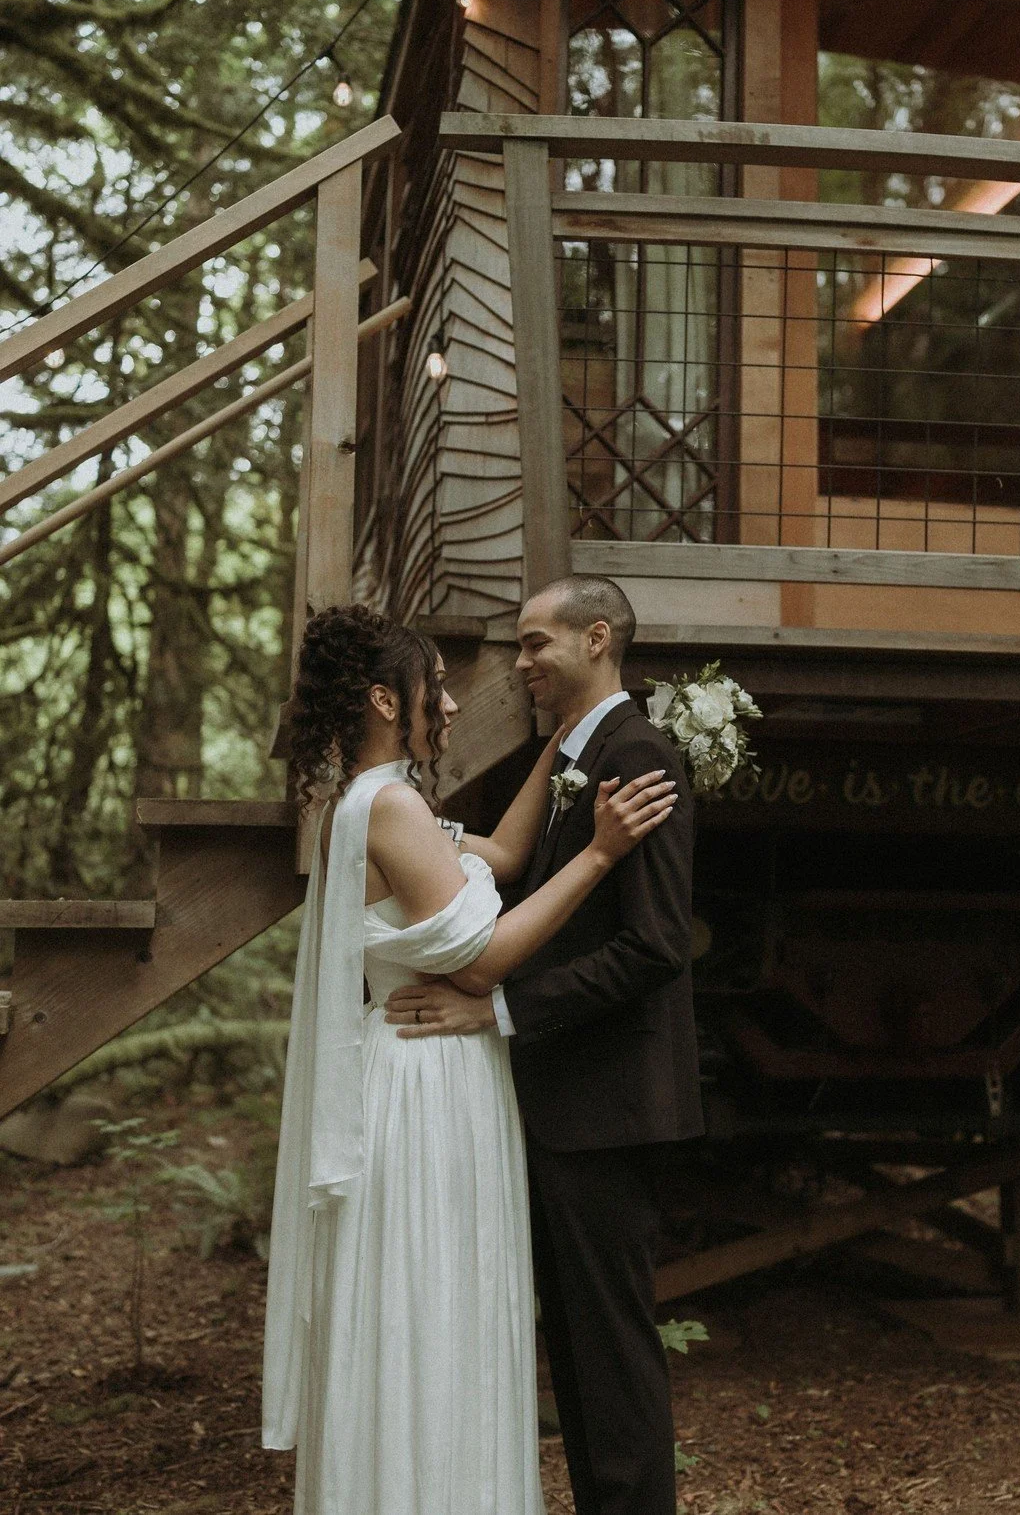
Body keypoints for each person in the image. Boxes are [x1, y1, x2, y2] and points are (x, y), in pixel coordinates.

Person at [261, 603, 675, 1515]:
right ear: (385, 700)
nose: (450, 705)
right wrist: (601, 854)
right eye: (435, 688)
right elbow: (484, 960)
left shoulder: (363, 803)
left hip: (421, 1069)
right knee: (434, 1306)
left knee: (425, 1308)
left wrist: (566, 739)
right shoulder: (393, 808)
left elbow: (509, 853)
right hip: (426, 1080)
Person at [384, 573, 704, 1515]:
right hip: (568, 1101)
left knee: (612, 1353)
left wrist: (501, 1010)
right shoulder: (576, 749)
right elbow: (519, 868)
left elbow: (656, 945)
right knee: (577, 1350)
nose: (520, 662)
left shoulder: (636, 753)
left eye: (535, 643)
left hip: (608, 1104)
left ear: (596, 638)